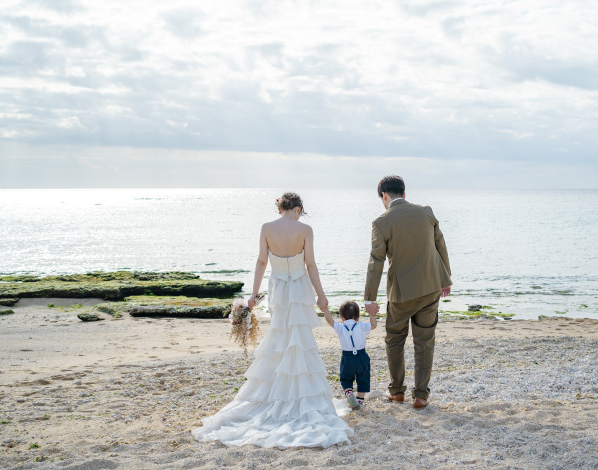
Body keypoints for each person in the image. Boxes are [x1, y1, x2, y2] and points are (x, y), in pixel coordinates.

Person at [192, 192, 352, 448]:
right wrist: (322, 296)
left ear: (280, 208)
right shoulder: (305, 230)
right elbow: (310, 264)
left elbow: (261, 261)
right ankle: (298, 394)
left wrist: (254, 295)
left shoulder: (267, 228)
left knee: (280, 336)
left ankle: (276, 393)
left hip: (278, 287)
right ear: (298, 209)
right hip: (299, 288)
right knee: (299, 339)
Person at [364, 176, 452, 409]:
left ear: (384, 195)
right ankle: (421, 395)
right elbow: (440, 244)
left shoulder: (381, 222)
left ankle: (397, 392)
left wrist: (369, 298)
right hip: (430, 287)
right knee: (425, 341)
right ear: (404, 192)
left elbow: (376, 262)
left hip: (401, 294)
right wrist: (446, 279)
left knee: (394, 340)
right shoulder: (426, 212)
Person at [321, 300, 377, 410]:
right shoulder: (361, 326)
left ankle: (349, 392)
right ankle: (360, 401)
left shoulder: (341, 328)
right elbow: (373, 325)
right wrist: (371, 313)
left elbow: (330, 321)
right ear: (358, 317)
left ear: (341, 318)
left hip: (347, 358)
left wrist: (325, 309)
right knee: (363, 378)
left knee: (345, 378)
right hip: (361, 356)